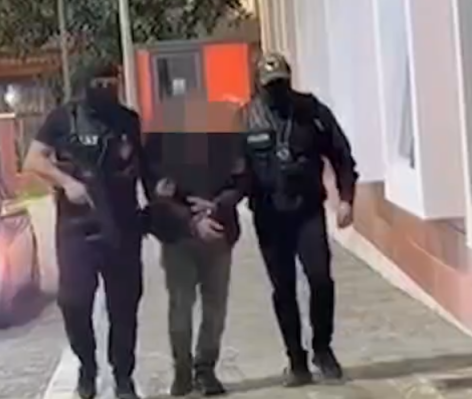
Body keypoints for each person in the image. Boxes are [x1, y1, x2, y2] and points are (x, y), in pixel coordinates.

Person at [24, 64, 162, 399]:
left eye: (111, 82)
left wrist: (158, 208)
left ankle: (123, 377)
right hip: (77, 227)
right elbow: (34, 160)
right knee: (73, 302)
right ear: (86, 85)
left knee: (124, 307)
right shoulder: (63, 118)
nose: (105, 88)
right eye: (99, 83)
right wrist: (66, 182)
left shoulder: (128, 121)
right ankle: (87, 365)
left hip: (122, 225)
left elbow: (146, 169)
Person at [239, 52, 358, 387]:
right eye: (269, 85)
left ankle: (322, 348)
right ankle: (296, 359)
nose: (276, 90)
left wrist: (346, 199)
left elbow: (342, 155)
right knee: (284, 288)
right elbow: (231, 171)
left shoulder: (311, 112)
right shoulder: (245, 119)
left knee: (320, 279)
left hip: (307, 211)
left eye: (281, 83)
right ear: (259, 85)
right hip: (269, 216)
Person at [143, 101, 245, 397]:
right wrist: (191, 219)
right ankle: (183, 371)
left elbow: (241, 181)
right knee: (181, 305)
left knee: (215, 307)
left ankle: (205, 369)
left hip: (218, 233)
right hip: (178, 237)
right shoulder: (161, 139)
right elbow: (155, 190)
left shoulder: (225, 135)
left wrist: (216, 206)